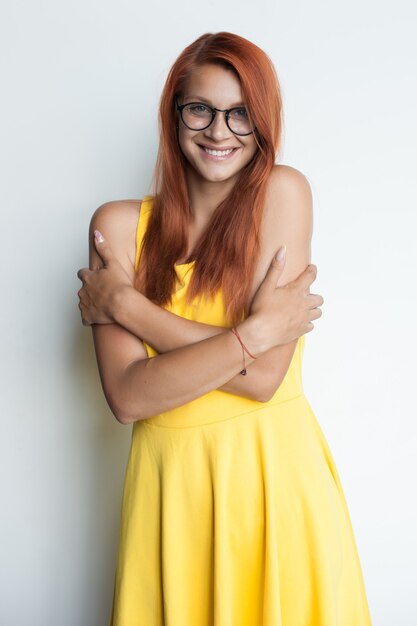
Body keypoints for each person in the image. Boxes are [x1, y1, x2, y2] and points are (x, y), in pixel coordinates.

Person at [77, 31, 372, 626]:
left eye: (240, 114)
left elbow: (263, 380)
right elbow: (130, 396)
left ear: (262, 124)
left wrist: (133, 311)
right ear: (174, 113)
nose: (219, 131)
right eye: (201, 109)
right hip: (170, 490)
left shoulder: (283, 195)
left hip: (273, 481)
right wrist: (252, 335)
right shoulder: (117, 224)